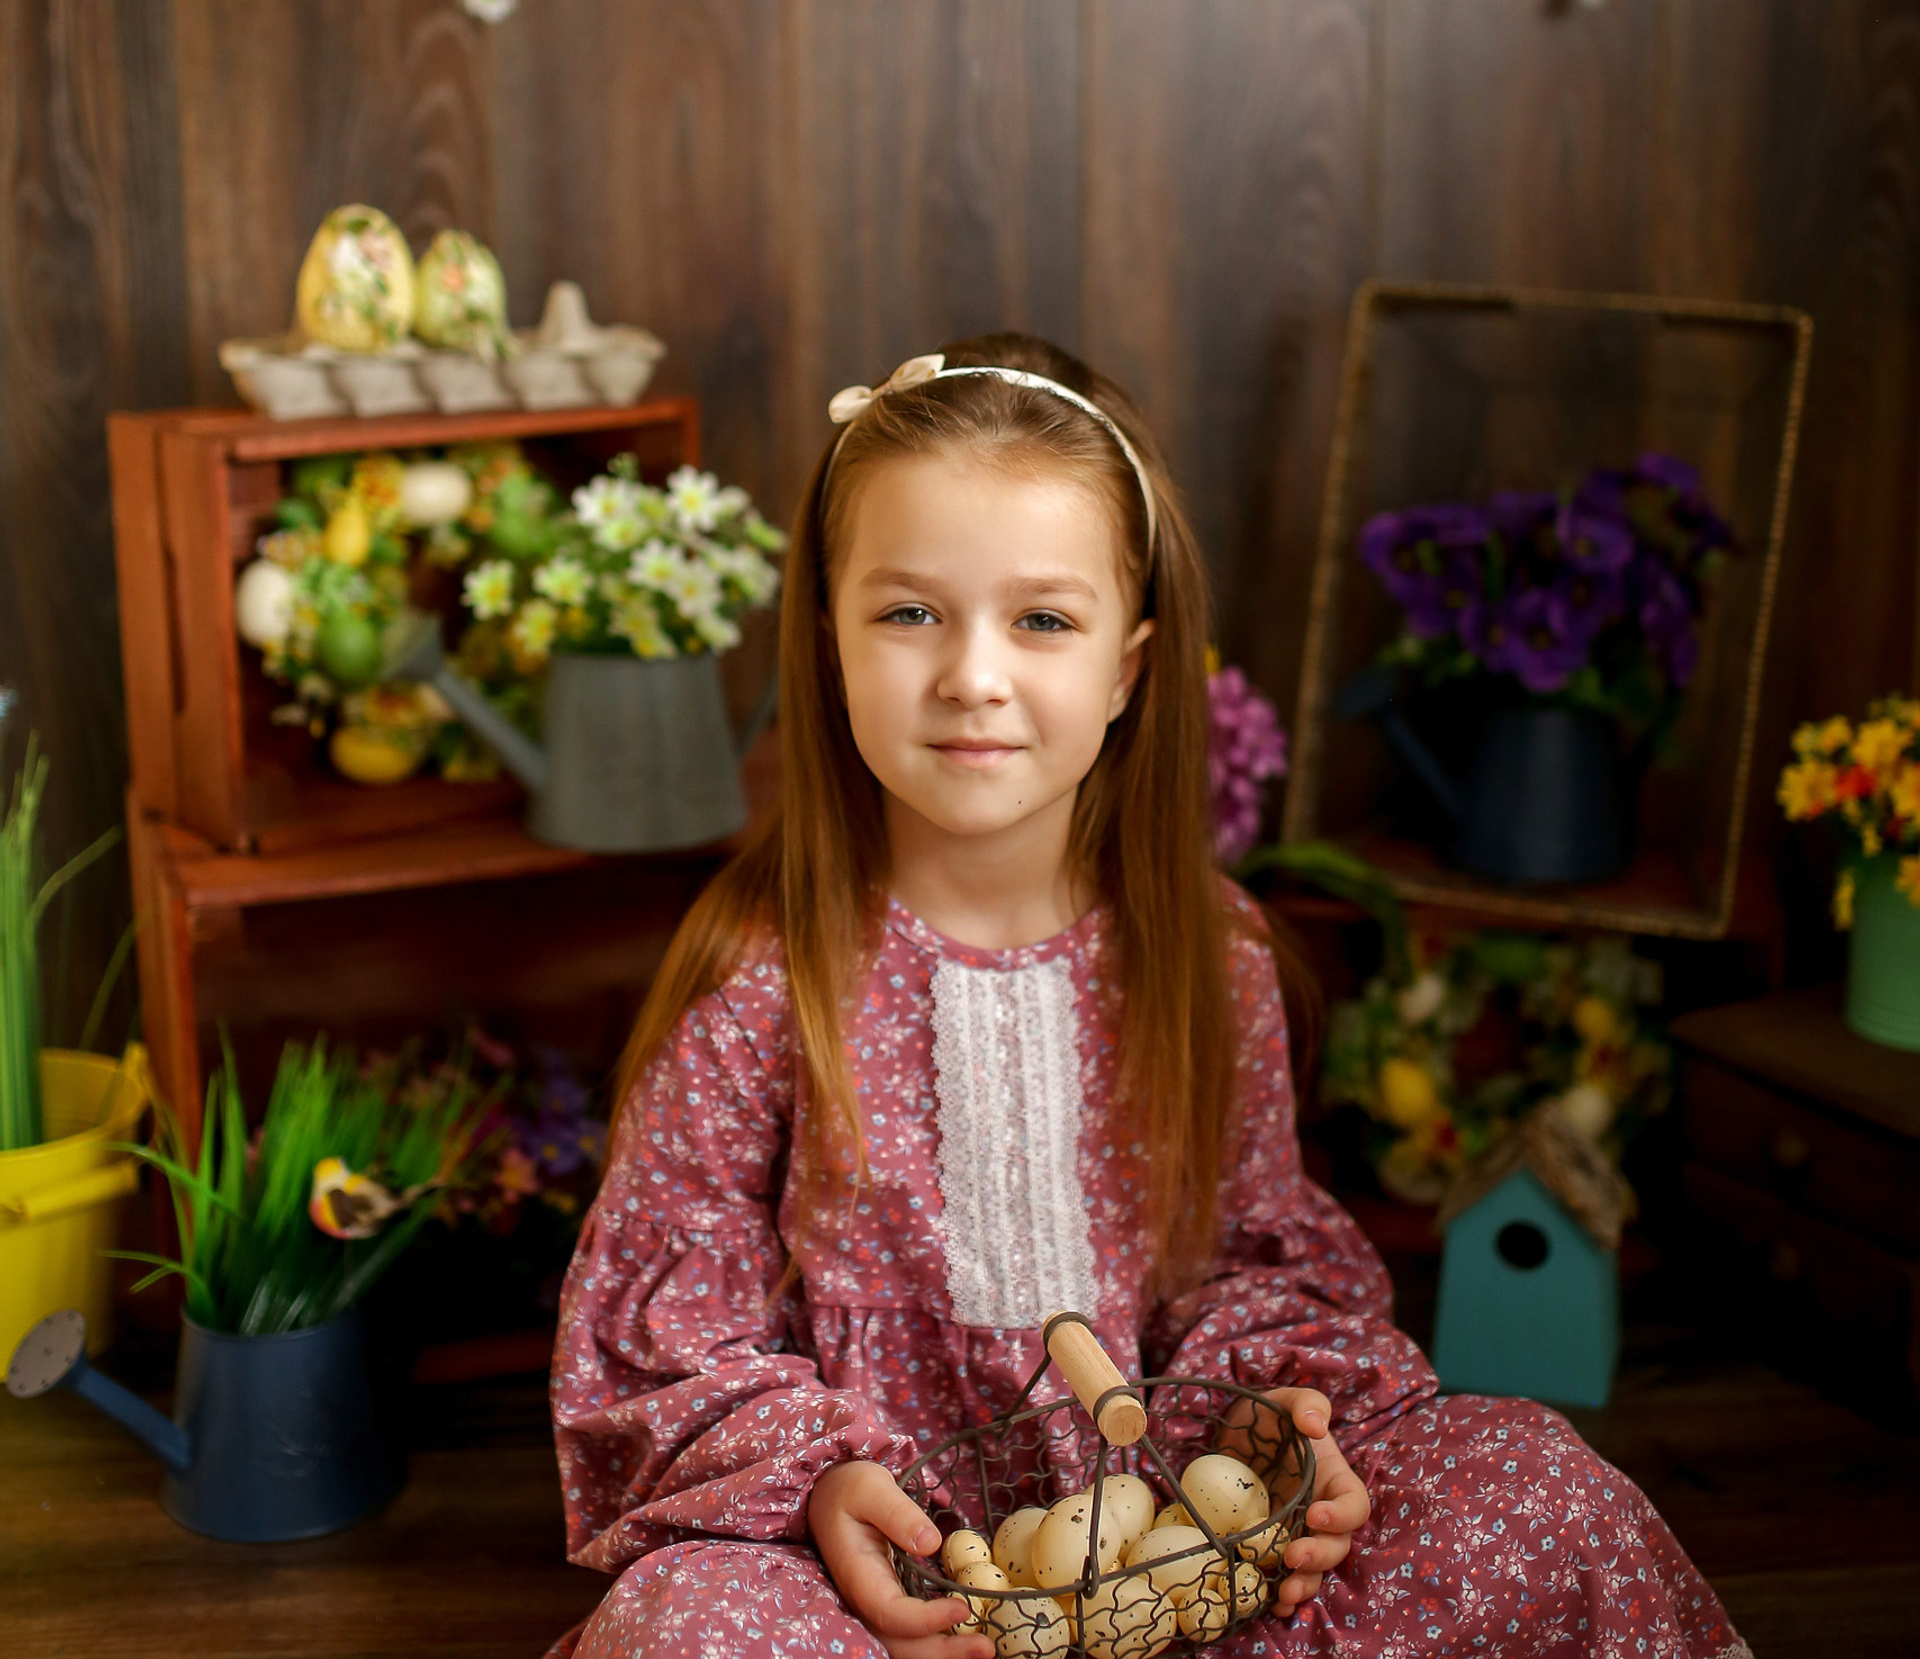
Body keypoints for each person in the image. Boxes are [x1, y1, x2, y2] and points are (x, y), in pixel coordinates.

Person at [546, 334, 1748, 1659]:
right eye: (908, 613)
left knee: (1539, 1490)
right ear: (827, 639)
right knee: (685, 1633)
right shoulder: (761, 978)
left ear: (1128, 666)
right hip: (875, 1592)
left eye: (1043, 620)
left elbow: (1246, 1268)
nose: (974, 677)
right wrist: (820, 1483)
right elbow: (678, 1333)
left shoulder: (1208, 954)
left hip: (1182, 1553)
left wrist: (1288, 1432)